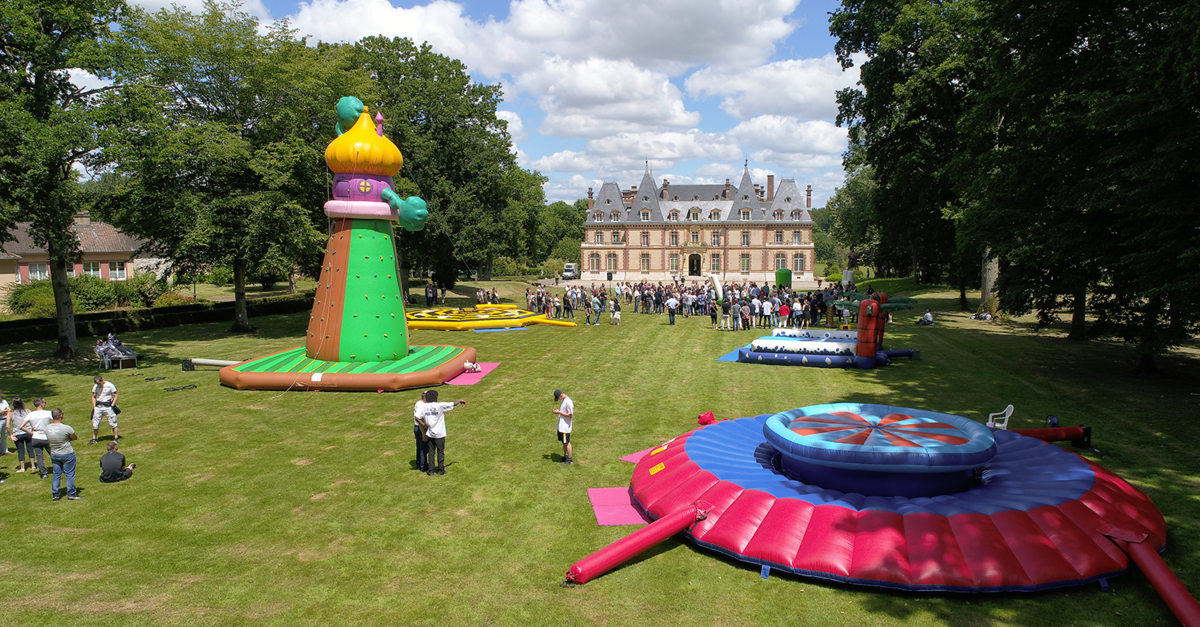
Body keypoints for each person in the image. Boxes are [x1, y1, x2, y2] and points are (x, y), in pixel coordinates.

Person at [414, 390, 465, 476]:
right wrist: (460, 401)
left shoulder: (424, 407)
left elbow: (417, 417)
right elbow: (452, 403)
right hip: (440, 433)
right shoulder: (439, 406)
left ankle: (431, 471)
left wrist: (424, 425)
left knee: (431, 452)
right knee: (440, 452)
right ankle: (441, 470)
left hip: (430, 433)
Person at [46, 408, 80, 501]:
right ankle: (71, 494)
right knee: (70, 474)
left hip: (54, 453)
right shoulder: (66, 428)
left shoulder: (47, 428)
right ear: (61, 415)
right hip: (67, 453)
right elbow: (74, 437)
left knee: (56, 474)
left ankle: (55, 494)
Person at [90, 374, 119, 445]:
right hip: (98, 407)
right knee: (95, 423)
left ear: (102, 380)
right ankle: (94, 439)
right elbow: (93, 396)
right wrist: (94, 407)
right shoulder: (96, 386)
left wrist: (112, 404)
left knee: (113, 421)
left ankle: (116, 438)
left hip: (108, 406)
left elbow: (115, 395)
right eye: (97, 384)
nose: (98, 385)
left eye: (99, 383)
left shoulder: (109, 385)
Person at [27, 398, 51, 479]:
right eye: (44, 402)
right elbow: (57, 421)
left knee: (39, 456)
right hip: (46, 437)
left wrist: (31, 432)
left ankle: (43, 473)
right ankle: (60, 469)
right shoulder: (48, 413)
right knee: (53, 454)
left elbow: (21, 426)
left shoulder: (30, 414)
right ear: (40, 404)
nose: (45, 404)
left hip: (36, 438)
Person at [8, 398, 34, 473]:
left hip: (17, 434)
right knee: (30, 449)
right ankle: (33, 466)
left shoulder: (11, 413)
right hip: (28, 432)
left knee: (20, 450)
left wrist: (10, 435)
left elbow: (7, 426)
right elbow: (33, 420)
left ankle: (22, 468)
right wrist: (32, 430)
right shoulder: (27, 411)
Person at [552, 389, 574, 465]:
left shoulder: (568, 402)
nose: (558, 400)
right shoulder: (563, 400)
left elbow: (570, 415)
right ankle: (565, 456)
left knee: (567, 442)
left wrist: (559, 412)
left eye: (558, 398)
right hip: (561, 426)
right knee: (563, 442)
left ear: (561, 395)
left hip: (565, 427)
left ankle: (570, 459)